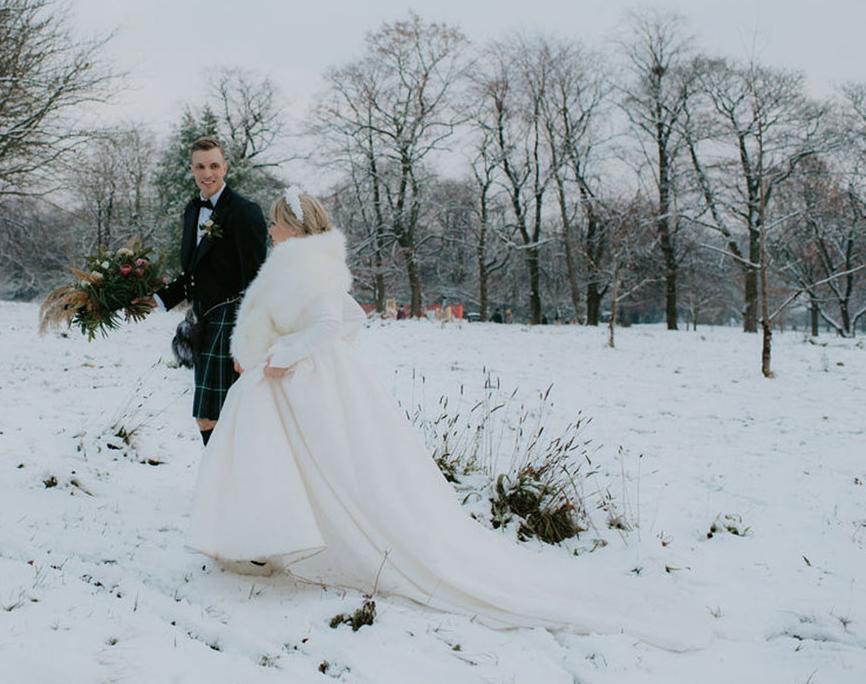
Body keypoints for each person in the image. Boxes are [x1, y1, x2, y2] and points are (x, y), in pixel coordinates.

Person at [186, 189, 713, 651]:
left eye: (278, 223)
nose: (271, 230)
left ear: (296, 228)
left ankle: (286, 540)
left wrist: (288, 353)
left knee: (340, 469)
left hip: (310, 381)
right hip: (303, 379)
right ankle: (269, 538)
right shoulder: (306, 263)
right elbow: (351, 317)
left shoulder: (306, 265)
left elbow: (332, 320)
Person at [148, 136, 268, 446]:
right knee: (211, 415)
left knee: (218, 414)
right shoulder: (191, 210)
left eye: (214, 165)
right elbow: (193, 273)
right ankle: (225, 484)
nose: (207, 173)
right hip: (203, 321)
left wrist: (249, 342)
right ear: (191, 169)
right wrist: (157, 299)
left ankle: (226, 485)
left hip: (232, 321)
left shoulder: (244, 211)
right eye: (200, 166)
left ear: (225, 167)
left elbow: (257, 279)